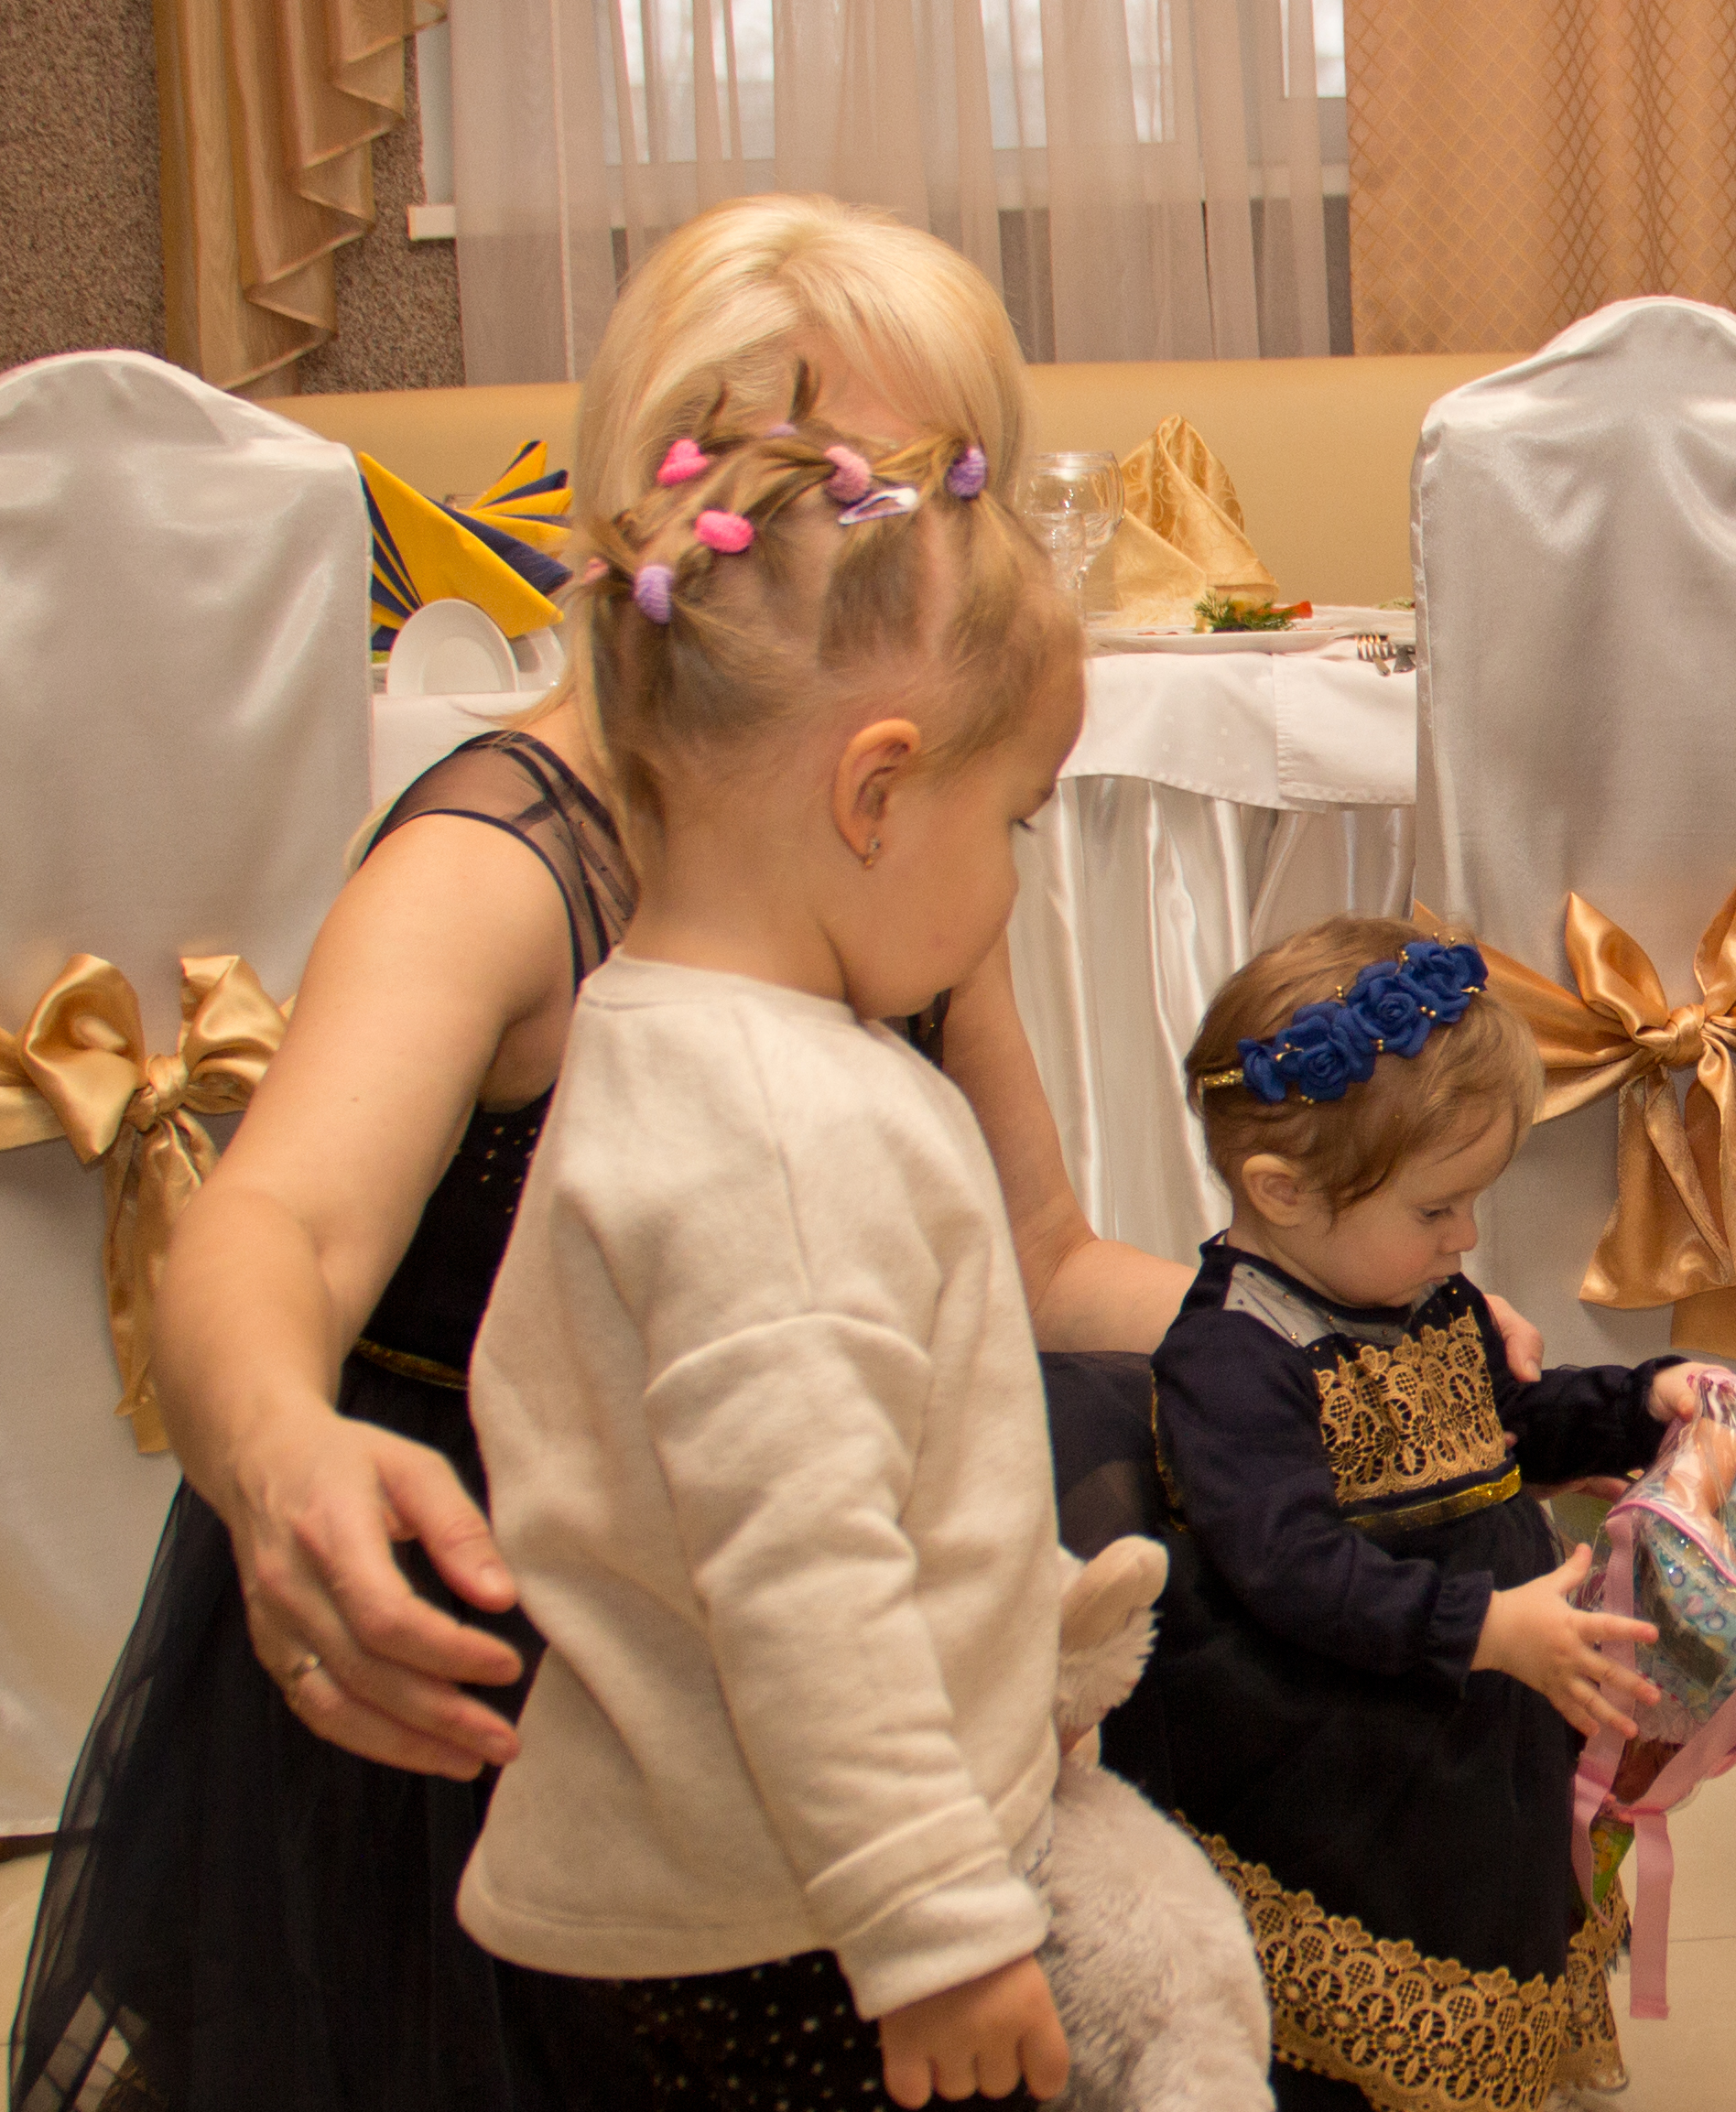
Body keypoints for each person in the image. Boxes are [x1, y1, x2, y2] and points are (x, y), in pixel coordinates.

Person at [12, 192, 1537, 2112]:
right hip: (540, 1663)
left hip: (831, 1646)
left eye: (948, 488)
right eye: (869, 487)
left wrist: (1373, 1336)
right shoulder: (504, 859)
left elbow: (1045, 1258)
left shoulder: (887, 853)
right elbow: (276, 1232)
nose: (917, 543)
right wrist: (280, 1454)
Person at [452, 404, 1084, 2108]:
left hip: (751, 1884)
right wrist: (935, 1925)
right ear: (876, 792)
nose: (1010, 883)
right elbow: (803, 1577)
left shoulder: (663, 1031)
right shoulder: (784, 1136)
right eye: (1015, 823)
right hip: (794, 1930)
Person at [1105, 915, 1721, 2112]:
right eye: (1439, 1209)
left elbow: (1511, 1425)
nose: (1467, 1238)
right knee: (1372, 2016)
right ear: (1281, 1191)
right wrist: (1481, 1628)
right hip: (1346, 1761)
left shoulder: (1422, 1296)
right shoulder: (1234, 1358)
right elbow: (1289, 1567)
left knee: (1493, 1929)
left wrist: (1639, 1403)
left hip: (1475, 1728)